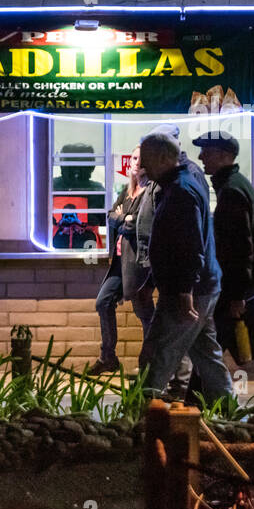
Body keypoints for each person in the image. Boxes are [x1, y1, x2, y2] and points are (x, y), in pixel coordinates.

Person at [137, 131, 233, 405]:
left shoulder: (181, 190)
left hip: (188, 291)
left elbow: (188, 246)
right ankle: (228, 410)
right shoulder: (181, 184)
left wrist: (183, 290)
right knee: (206, 354)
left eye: (147, 160)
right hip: (202, 286)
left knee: (157, 353)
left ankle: (143, 415)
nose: (143, 167)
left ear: (166, 158)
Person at [193, 130, 254, 366]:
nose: (201, 157)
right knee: (220, 346)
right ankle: (201, 396)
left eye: (207, 151)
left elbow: (240, 250)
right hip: (247, 287)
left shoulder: (232, 191)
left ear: (224, 155)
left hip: (243, 290)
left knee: (221, 346)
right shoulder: (235, 185)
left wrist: (237, 296)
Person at [91, 149, 149, 375]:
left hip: (137, 262)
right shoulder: (127, 192)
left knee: (144, 311)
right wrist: (123, 218)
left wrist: (123, 219)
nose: (137, 163)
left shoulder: (150, 192)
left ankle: (152, 362)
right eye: (134, 158)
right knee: (103, 302)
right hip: (118, 262)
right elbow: (110, 215)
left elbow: (137, 226)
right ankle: (108, 358)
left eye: (142, 160)